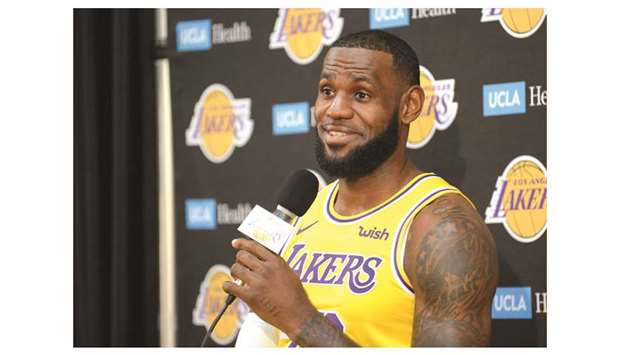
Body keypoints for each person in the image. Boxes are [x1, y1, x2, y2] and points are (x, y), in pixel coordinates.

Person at [223, 30, 499, 347]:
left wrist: (301, 320)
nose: (336, 110)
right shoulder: (302, 209)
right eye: (327, 91)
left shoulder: (444, 229)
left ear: (409, 105)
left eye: (361, 95)